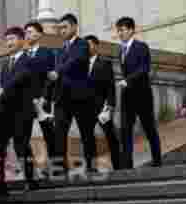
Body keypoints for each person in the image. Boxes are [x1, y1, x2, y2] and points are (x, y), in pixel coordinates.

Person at [0, 27, 40, 195]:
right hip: (5, 113)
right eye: (7, 40)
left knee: (21, 146)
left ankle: (31, 179)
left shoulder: (29, 60)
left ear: (21, 40)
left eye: (12, 39)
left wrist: (4, 89)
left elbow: (21, 77)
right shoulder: (5, 64)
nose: (9, 43)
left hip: (22, 111)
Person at [47, 13, 94, 178]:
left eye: (65, 27)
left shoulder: (82, 45)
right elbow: (54, 75)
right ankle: (61, 167)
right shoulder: (59, 50)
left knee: (86, 132)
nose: (62, 31)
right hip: (62, 98)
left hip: (80, 96)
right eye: (60, 28)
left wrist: (58, 71)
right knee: (59, 133)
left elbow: (76, 60)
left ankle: (91, 165)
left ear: (74, 27)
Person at [115, 16, 162, 168]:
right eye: (119, 31)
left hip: (142, 95)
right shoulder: (120, 50)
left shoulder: (141, 47)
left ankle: (157, 160)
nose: (120, 33)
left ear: (131, 30)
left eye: (123, 30)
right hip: (127, 96)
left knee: (149, 128)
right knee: (125, 130)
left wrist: (128, 80)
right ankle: (127, 165)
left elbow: (144, 69)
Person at [24, 21, 57, 173]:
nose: (27, 35)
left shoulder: (47, 53)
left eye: (30, 32)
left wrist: (45, 97)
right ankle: (31, 169)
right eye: (26, 32)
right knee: (24, 136)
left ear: (39, 34)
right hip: (27, 101)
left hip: (43, 100)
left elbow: (51, 78)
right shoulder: (23, 55)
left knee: (49, 135)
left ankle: (55, 167)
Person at [86, 34, 121, 172]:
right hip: (85, 107)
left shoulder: (104, 63)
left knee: (111, 136)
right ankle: (91, 168)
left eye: (88, 45)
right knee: (88, 138)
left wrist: (110, 106)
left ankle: (118, 166)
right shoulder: (80, 63)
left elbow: (110, 87)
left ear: (96, 45)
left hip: (102, 107)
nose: (86, 48)